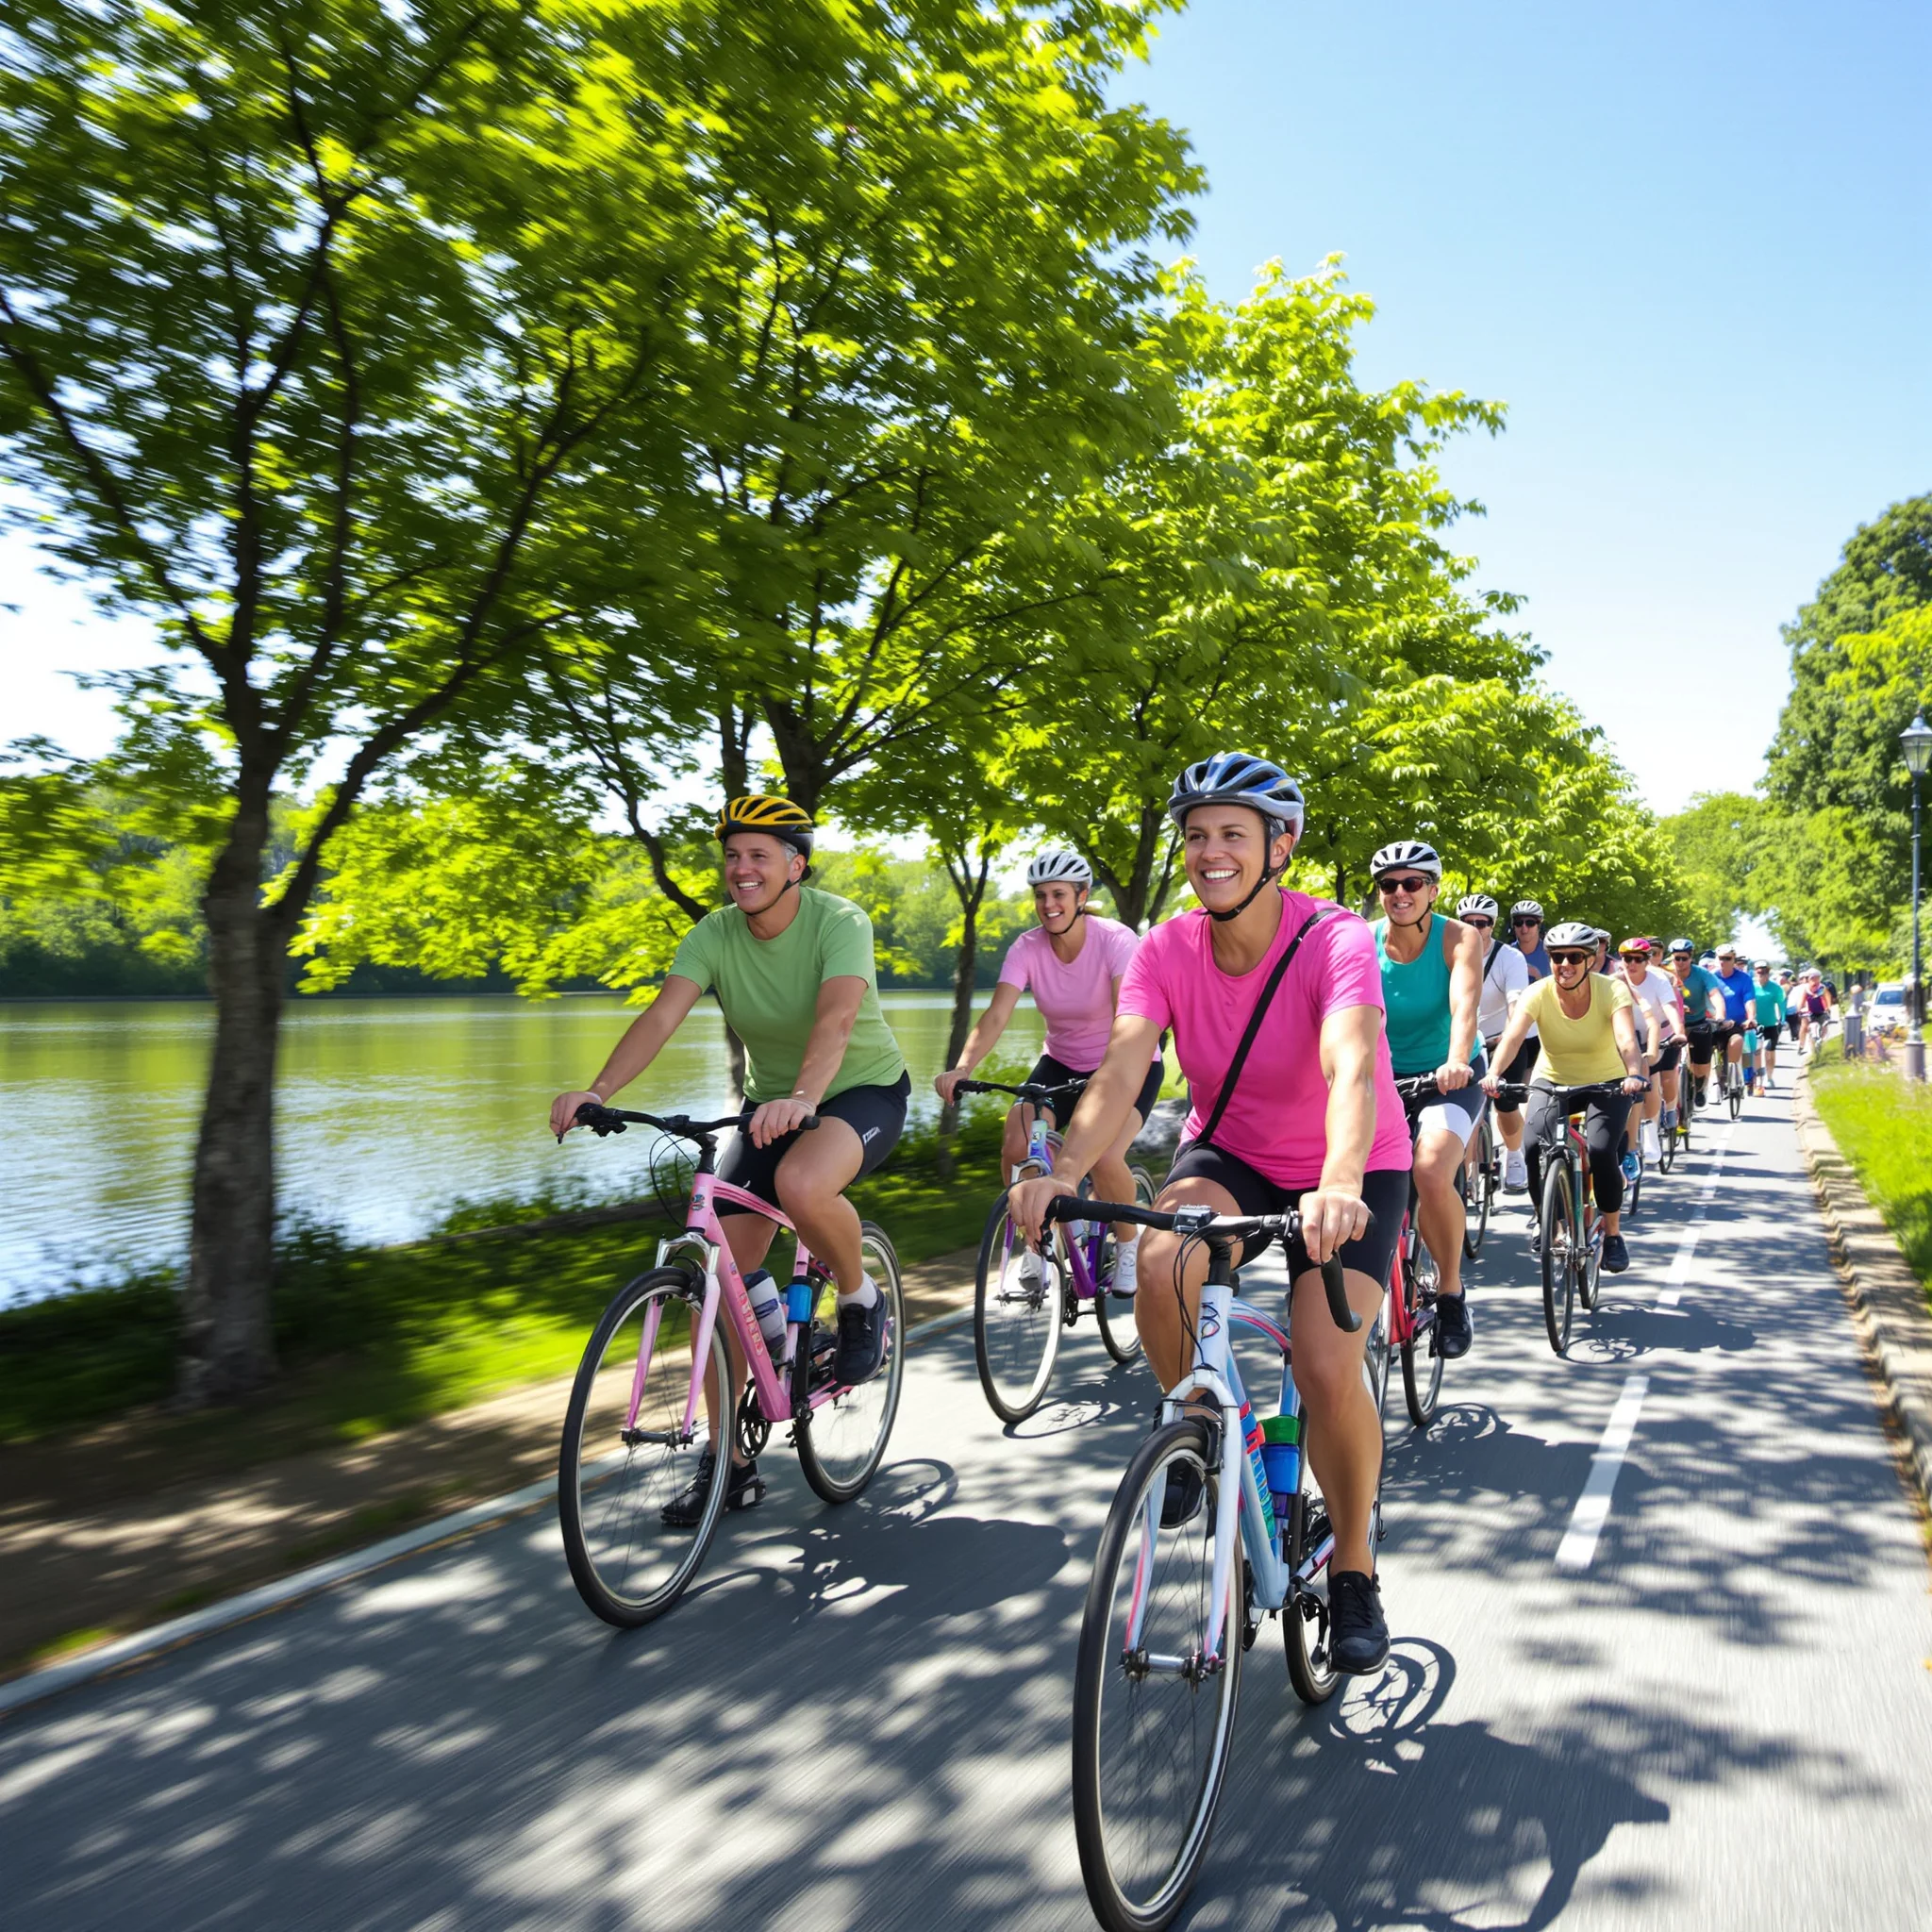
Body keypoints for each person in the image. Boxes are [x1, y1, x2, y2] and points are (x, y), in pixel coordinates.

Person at [1010, 752, 1409, 1675]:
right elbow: (1118, 1072)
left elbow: (1350, 1062)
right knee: (1158, 1260)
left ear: (1280, 844)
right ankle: (1196, 1433)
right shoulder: (1163, 947)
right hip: (1229, 1154)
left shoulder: (1336, 936)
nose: (1209, 851)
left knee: (1319, 1363)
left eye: (1231, 832)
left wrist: (1339, 1177)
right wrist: (1058, 1167)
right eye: (1195, 834)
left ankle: (1352, 1561)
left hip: (1349, 1165)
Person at [549, 794, 910, 1524]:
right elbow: (660, 1014)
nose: (741, 869)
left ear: (795, 866)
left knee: (801, 1184)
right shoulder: (714, 934)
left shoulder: (839, 921)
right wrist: (598, 1090)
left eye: (759, 856)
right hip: (772, 1102)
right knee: (719, 1279)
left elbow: (838, 1018)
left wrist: (806, 1096)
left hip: (860, 1091)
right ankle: (731, 1465)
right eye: (733, 856)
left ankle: (861, 1298)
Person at [935, 849, 1163, 1293]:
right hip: (1060, 1062)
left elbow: (1128, 1016)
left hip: (1125, 1063)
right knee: (1017, 1143)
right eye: (1040, 895)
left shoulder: (1116, 940)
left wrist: (1108, 1078)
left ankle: (1128, 1244)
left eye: (1058, 894)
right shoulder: (1027, 947)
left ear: (1082, 896)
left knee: (1105, 1155)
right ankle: (1036, 1244)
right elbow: (998, 1014)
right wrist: (963, 1067)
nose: (1048, 904)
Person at [1371, 841, 1485, 1359]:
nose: (1400, 893)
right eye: (1389, 885)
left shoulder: (1458, 937)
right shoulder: (1362, 940)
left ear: (1433, 890)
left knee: (1433, 1169)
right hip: (1380, 1079)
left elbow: (1465, 1004)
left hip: (1448, 1075)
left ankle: (1451, 1291)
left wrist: (1456, 1058)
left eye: (1412, 883)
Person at [1482, 921, 1649, 1274]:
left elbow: (1626, 1040)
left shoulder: (1611, 990)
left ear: (1590, 960)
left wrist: (1634, 1074)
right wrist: (1495, 1073)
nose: (1565, 964)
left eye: (1575, 956)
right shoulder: (1538, 992)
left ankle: (1614, 1234)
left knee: (1603, 1150)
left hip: (1607, 1083)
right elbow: (1512, 1037)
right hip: (1553, 1079)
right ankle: (1549, 1223)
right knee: (1530, 1147)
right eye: (1557, 957)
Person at [1462, 893, 1535, 1194]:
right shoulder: (1449, 950)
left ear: (1492, 926)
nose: (1476, 928)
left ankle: (1515, 1155)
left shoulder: (1510, 958)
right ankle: (1464, 1175)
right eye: (1468, 923)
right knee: (1465, 1111)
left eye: (1482, 923)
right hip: (1464, 1041)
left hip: (1503, 1039)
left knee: (1506, 1104)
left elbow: (1516, 1003)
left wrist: (1508, 1036)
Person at [1615, 938, 1679, 1172]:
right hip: (1621, 1038)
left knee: (1647, 1074)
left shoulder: (1658, 979)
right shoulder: (1613, 982)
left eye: (1638, 959)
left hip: (1655, 1036)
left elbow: (1667, 1010)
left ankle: (1649, 1130)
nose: (1632, 964)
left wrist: (1679, 1031)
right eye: (1626, 959)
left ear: (1647, 961)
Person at [1502, 900, 1551, 1190]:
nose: (1524, 928)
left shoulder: (1550, 953)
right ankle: (1515, 1148)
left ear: (1539, 925)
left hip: (1544, 1032)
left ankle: (1536, 1145)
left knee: (1536, 1094)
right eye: (1519, 922)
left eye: (1530, 922)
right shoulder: (1508, 954)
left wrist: (1536, 976)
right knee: (1512, 1098)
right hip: (1516, 1033)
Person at [1667, 939, 1724, 1107]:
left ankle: (1699, 1088)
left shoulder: (1703, 974)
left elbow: (1714, 994)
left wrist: (1720, 1015)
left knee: (1701, 1063)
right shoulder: (1665, 973)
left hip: (1697, 1021)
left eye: (1684, 958)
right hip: (1673, 1023)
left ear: (1691, 957)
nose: (1680, 962)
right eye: (1677, 958)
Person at [1709, 945, 1757, 1092]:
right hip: (1713, 1023)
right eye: (1720, 958)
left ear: (1734, 960)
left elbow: (1749, 1000)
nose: (1723, 961)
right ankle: (1713, 1081)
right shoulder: (1710, 977)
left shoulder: (1744, 979)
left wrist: (1751, 1018)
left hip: (1736, 1023)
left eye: (1727, 958)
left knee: (1737, 1042)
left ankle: (1735, 1076)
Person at [1751, 962, 1789, 1087]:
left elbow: (1781, 1004)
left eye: (1765, 971)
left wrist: (1783, 1020)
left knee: (1769, 1050)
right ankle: (1757, 1078)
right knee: (1756, 1051)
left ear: (1768, 973)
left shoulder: (1775, 988)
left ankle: (1769, 1077)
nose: (1762, 974)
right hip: (1754, 1024)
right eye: (1759, 971)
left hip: (1771, 1024)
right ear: (1755, 972)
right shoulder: (1751, 986)